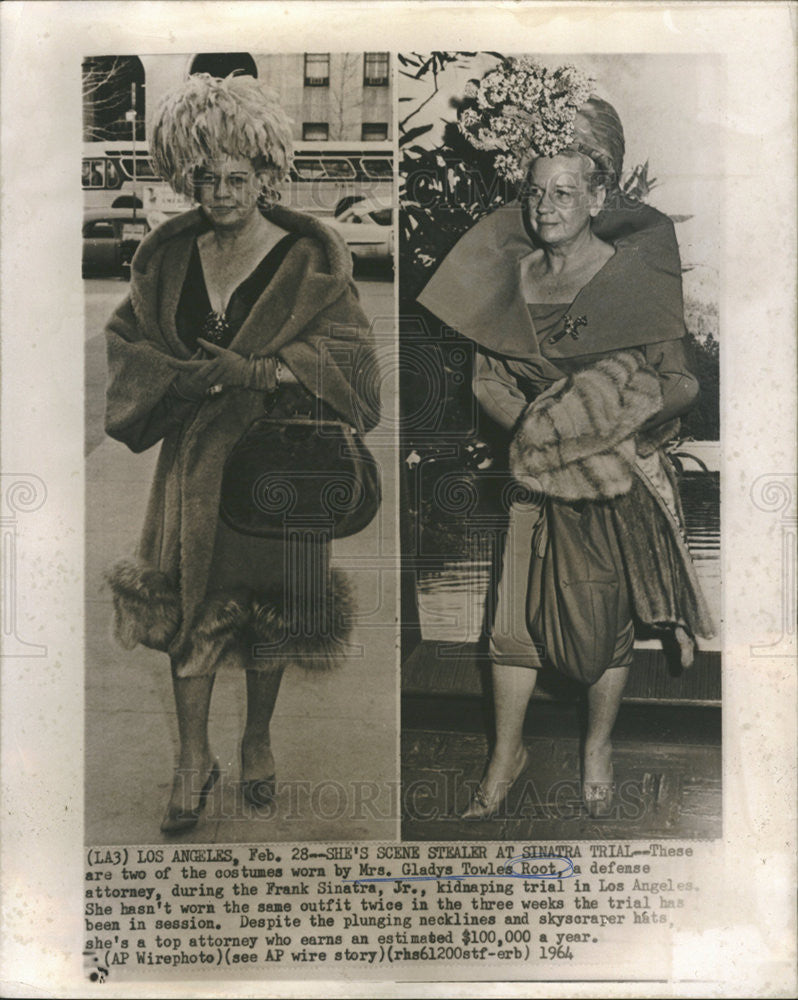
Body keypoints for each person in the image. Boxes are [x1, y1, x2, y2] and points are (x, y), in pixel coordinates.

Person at [417, 60, 714, 819]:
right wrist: (541, 431)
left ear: (598, 197)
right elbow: (486, 380)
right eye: (535, 191)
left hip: (616, 481)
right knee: (509, 622)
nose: (545, 207)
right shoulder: (509, 277)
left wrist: (611, 423)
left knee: (604, 629)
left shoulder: (631, 278)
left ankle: (597, 750)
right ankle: (503, 757)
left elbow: (682, 383)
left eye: (564, 192)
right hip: (532, 471)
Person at [103, 73, 379, 834]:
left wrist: (263, 371)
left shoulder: (307, 261)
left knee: (271, 621)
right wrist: (179, 378)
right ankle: (193, 761)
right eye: (206, 177)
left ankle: (255, 741)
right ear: (186, 177)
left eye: (237, 177)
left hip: (283, 467)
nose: (221, 192)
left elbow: (357, 363)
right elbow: (125, 346)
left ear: (267, 174)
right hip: (192, 474)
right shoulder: (167, 259)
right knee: (190, 620)